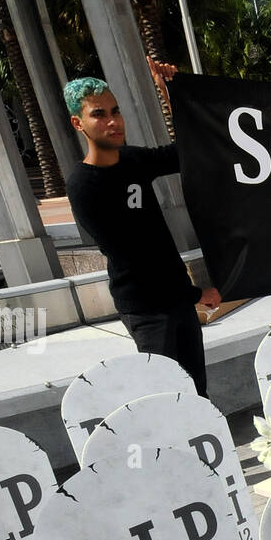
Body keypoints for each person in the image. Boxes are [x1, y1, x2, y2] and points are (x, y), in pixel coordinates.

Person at [63, 59, 221, 396]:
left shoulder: (133, 160)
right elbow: (132, 256)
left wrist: (171, 95)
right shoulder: (83, 185)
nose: (112, 121)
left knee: (196, 395)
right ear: (78, 123)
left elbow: (187, 152)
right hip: (147, 310)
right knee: (167, 397)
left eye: (115, 111)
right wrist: (196, 293)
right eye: (99, 114)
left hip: (177, 300)